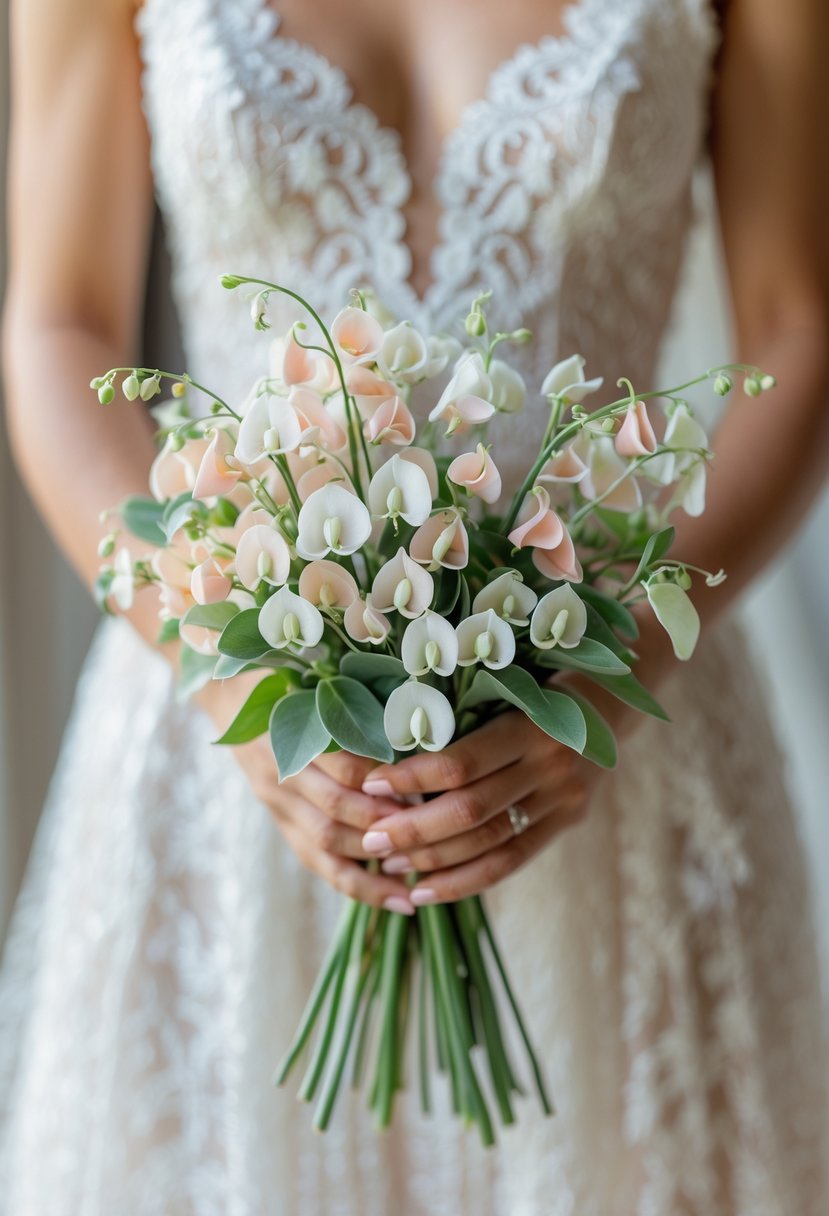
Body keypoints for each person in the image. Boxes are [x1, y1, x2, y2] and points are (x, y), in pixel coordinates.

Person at [1, 0, 827, 1211]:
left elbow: (796, 325)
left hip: (616, 741)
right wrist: (224, 670)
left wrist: (610, 674)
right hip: (237, 754)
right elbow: (57, 318)